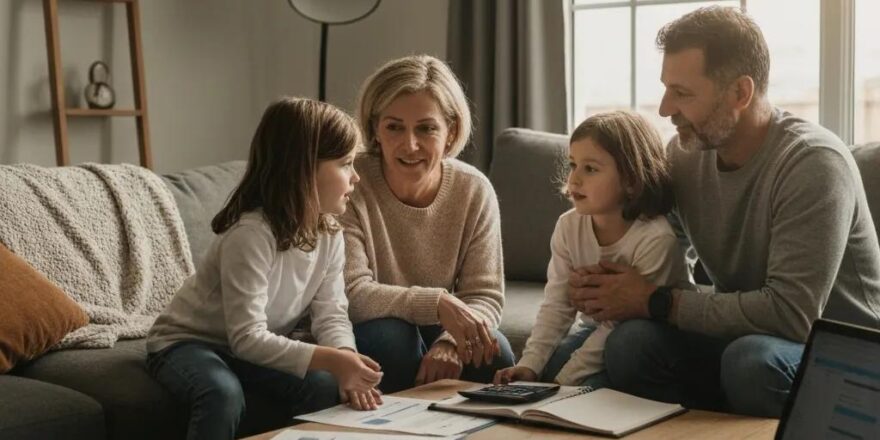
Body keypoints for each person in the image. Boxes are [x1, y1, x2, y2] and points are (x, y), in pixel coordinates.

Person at [568, 6, 880, 417]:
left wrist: (658, 302)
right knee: (630, 344)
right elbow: (659, 249)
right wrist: (600, 289)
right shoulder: (684, 155)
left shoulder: (812, 165)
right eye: (665, 89)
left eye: (682, 93)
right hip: (745, 338)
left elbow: (791, 315)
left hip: (846, 356)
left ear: (739, 93)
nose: (664, 109)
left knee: (750, 363)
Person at [146, 97, 383, 440]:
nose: (356, 177)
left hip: (247, 346)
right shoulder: (251, 235)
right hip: (189, 343)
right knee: (221, 394)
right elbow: (247, 338)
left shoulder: (330, 234)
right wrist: (331, 359)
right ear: (304, 168)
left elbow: (331, 313)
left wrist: (345, 358)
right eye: (345, 164)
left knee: (320, 384)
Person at [341, 55, 515, 393]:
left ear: (450, 133)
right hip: (370, 326)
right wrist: (437, 303)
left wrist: (451, 342)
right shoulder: (349, 183)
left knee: (495, 351)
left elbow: (485, 294)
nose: (410, 144)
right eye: (394, 127)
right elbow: (351, 294)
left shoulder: (474, 189)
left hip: (438, 328)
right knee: (392, 339)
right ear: (375, 129)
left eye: (426, 128)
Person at [493, 111, 688, 389]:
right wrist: (529, 366)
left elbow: (617, 324)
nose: (574, 180)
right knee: (547, 369)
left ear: (631, 180)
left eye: (591, 169)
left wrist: (563, 383)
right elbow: (557, 303)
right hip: (596, 327)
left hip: (649, 337)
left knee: (587, 377)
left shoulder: (656, 239)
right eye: (573, 165)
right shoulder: (568, 226)